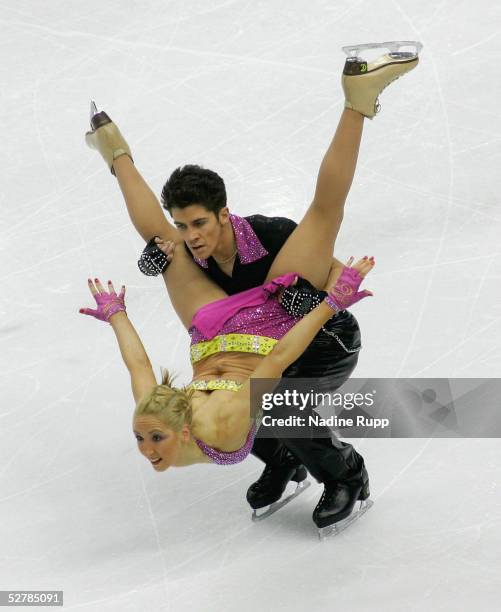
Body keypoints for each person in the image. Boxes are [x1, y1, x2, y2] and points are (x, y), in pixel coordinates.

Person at [83, 41, 422, 527]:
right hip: (234, 335)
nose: (191, 237)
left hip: (319, 338)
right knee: (165, 252)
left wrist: (321, 299)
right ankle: (113, 148)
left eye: (199, 224)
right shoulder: (189, 250)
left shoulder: (272, 235)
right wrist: (153, 267)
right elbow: (144, 359)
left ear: (224, 214)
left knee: (282, 407)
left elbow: (330, 279)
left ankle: (346, 475)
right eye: (183, 225)